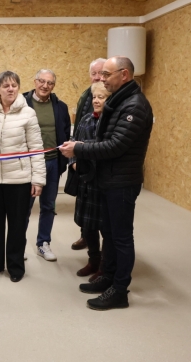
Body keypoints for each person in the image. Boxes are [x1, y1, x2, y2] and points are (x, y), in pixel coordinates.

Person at [60, 56, 153, 311]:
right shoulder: (120, 101)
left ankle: (120, 290)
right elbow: (107, 138)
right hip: (110, 180)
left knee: (121, 238)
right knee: (110, 234)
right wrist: (80, 145)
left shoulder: (134, 106)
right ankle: (108, 277)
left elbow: (116, 145)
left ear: (124, 75)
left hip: (122, 183)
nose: (101, 79)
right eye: (100, 75)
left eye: (106, 74)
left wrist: (79, 148)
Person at [0, 71, 46, 282]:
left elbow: (36, 148)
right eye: (6, 86)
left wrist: (38, 180)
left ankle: (16, 267)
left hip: (19, 179)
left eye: (14, 85)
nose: (11, 89)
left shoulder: (28, 114)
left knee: (17, 225)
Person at [22, 69, 71, 262]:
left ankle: (43, 243)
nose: (45, 86)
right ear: (35, 82)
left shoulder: (60, 107)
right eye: (42, 81)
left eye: (50, 83)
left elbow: (65, 132)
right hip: (28, 164)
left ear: (54, 86)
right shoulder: (22, 103)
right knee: (24, 207)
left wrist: (64, 161)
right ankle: (18, 245)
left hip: (52, 162)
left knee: (48, 206)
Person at [69, 82, 111, 281]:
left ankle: (104, 266)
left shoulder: (111, 121)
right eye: (94, 97)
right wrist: (74, 162)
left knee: (105, 226)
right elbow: (73, 144)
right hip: (85, 181)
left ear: (109, 99)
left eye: (101, 97)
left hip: (104, 182)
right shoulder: (85, 120)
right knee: (88, 226)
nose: (96, 100)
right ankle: (93, 260)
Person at [71, 58, 106, 251]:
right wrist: (74, 160)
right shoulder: (86, 96)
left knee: (104, 220)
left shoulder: (112, 116)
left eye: (101, 73)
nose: (98, 77)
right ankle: (87, 239)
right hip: (85, 170)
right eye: (94, 73)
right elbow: (76, 135)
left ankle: (104, 261)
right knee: (87, 214)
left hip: (104, 173)